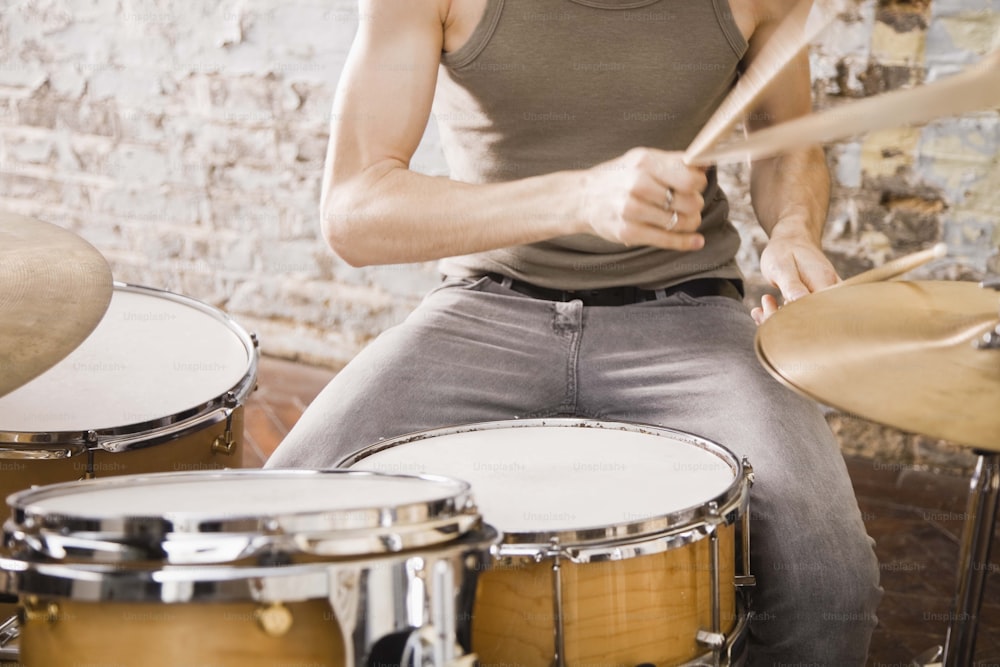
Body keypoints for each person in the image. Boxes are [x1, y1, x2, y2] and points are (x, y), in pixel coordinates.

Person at [266, 0, 883, 663]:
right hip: (484, 312)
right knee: (272, 529)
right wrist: (579, 197)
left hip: (689, 316)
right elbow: (354, 208)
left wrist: (792, 229)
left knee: (834, 582)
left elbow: (789, 146)